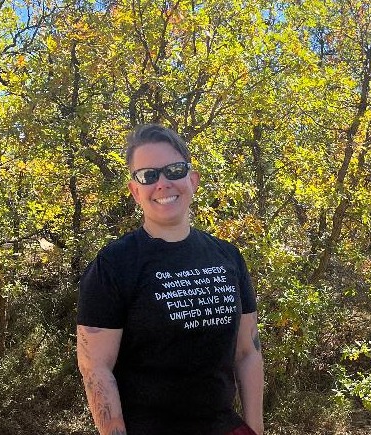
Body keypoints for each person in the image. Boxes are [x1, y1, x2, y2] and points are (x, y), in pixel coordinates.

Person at [77, 124, 264, 435]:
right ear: (135, 191)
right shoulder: (114, 264)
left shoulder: (228, 256)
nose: (162, 183)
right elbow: (96, 368)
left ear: (193, 179)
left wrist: (255, 430)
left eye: (174, 170)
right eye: (148, 175)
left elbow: (248, 353)